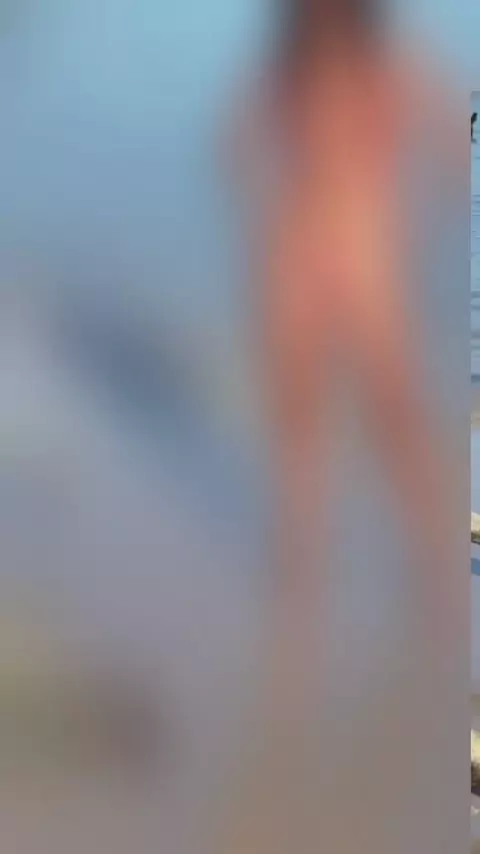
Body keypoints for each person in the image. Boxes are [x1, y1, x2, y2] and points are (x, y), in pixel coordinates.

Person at [215, 2, 465, 846]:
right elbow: (236, 144)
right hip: (301, 251)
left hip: (363, 248)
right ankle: (304, 586)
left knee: (398, 426)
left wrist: (419, 221)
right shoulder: (289, 64)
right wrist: (265, 218)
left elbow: (451, 143)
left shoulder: (383, 64)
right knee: (300, 428)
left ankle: (437, 575)